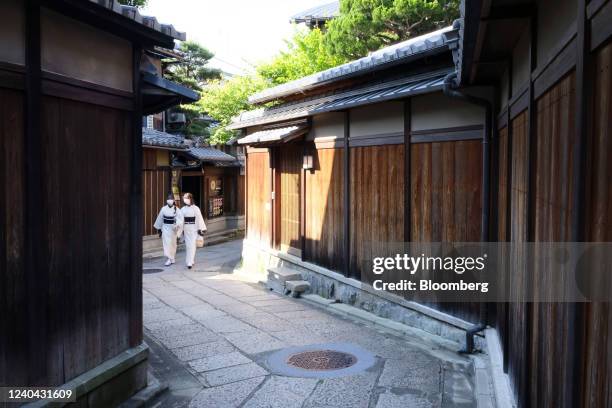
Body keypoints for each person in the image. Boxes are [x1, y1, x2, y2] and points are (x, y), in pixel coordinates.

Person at [154, 193, 183, 266]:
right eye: (168, 198)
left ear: (173, 200)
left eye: (171, 199)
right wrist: (159, 229)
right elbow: (160, 219)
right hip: (165, 228)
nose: (170, 200)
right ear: (167, 200)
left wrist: (177, 225)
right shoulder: (163, 209)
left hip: (173, 229)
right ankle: (169, 258)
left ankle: (172, 257)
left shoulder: (177, 210)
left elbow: (181, 220)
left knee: (173, 244)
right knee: (167, 244)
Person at [179, 192, 206, 269]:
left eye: (187, 198)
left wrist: (201, 229)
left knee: (193, 245)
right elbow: (180, 220)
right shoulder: (183, 209)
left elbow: (199, 219)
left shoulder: (196, 208)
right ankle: (190, 260)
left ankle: (190, 261)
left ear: (191, 199)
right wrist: (179, 229)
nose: (186, 200)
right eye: (184, 198)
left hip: (194, 229)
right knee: (188, 246)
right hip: (186, 229)